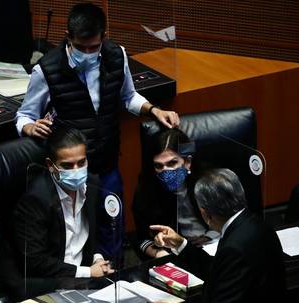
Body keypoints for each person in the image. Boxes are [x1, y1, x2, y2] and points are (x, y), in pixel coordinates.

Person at [15, 3, 179, 259]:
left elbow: (128, 96)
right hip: (74, 172)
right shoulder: (46, 69)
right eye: (81, 48)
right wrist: (29, 126)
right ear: (69, 37)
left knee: (113, 232)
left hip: (107, 163)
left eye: (95, 47)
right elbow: (24, 114)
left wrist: (154, 110)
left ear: (105, 36)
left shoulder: (117, 55)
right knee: (80, 240)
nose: (89, 53)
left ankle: (117, 282)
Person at [148, 169, 289, 303]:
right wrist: (181, 243)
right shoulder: (253, 224)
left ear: (205, 213)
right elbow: (219, 270)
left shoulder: (234, 246)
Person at [13, 127, 114, 278]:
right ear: (50, 165)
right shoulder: (36, 199)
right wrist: (88, 272)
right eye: (67, 166)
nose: (76, 171)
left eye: (81, 162)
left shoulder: (92, 185)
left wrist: (97, 258)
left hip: (85, 273)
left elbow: (94, 233)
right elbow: (35, 261)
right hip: (51, 280)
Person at [132, 128, 219, 259]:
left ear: (187, 162)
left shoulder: (209, 182)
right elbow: (141, 238)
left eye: (172, 163)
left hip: (212, 245)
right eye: (158, 166)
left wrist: (210, 236)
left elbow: (228, 221)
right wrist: (158, 253)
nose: (165, 172)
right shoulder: (147, 187)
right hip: (174, 252)